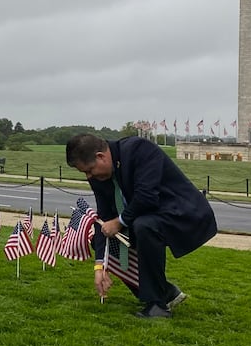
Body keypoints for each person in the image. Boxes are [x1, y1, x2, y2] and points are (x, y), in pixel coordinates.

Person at [66, 133, 217, 319]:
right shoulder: (99, 177)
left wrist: (119, 222)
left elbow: (147, 197)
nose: (89, 176)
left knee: (143, 225)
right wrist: (99, 265)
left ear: (101, 156)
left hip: (182, 213)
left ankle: (158, 306)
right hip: (144, 216)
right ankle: (166, 293)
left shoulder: (139, 149)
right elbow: (103, 218)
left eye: (89, 170)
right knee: (108, 238)